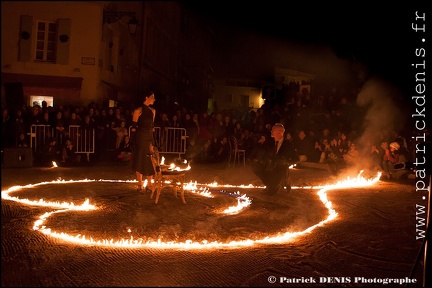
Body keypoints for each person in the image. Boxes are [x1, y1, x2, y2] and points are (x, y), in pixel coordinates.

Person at [251, 123, 300, 194]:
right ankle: (269, 184)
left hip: (280, 169)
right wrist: (259, 144)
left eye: (273, 130)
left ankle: (284, 181)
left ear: (279, 132)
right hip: (269, 168)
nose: (271, 131)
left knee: (272, 192)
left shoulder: (288, 145)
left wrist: (286, 162)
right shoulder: (269, 142)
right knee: (255, 166)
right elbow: (262, 152)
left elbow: (297, 159)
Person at [131, 90, 156, 192]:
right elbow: (133, 127)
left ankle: (149, 183)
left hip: (149, 137)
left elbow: (152, 126)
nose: (154, 99)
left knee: (149, 159)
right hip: (140, 137)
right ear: (146, 98)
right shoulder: (138, 111)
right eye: (152, 97)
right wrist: (132, 140)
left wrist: (153, 139)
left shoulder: (153, 111)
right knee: (140, 158)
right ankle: (140, 184)